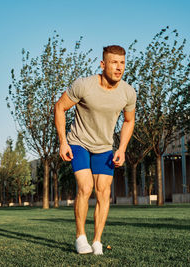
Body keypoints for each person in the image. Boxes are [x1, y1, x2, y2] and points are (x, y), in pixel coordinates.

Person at [54, 45, 136, 255]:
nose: (119, 68)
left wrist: (122, 148)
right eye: (114, 62)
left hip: (104, 146)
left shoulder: (128, 92)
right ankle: (80, 237)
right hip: (79, 142)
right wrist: (63, 142)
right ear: (102, 64)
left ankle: (97, 241)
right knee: (85, 186)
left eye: (122, 63)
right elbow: (59, 107)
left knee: (104, 192)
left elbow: (129, 121)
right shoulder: (84, 85)